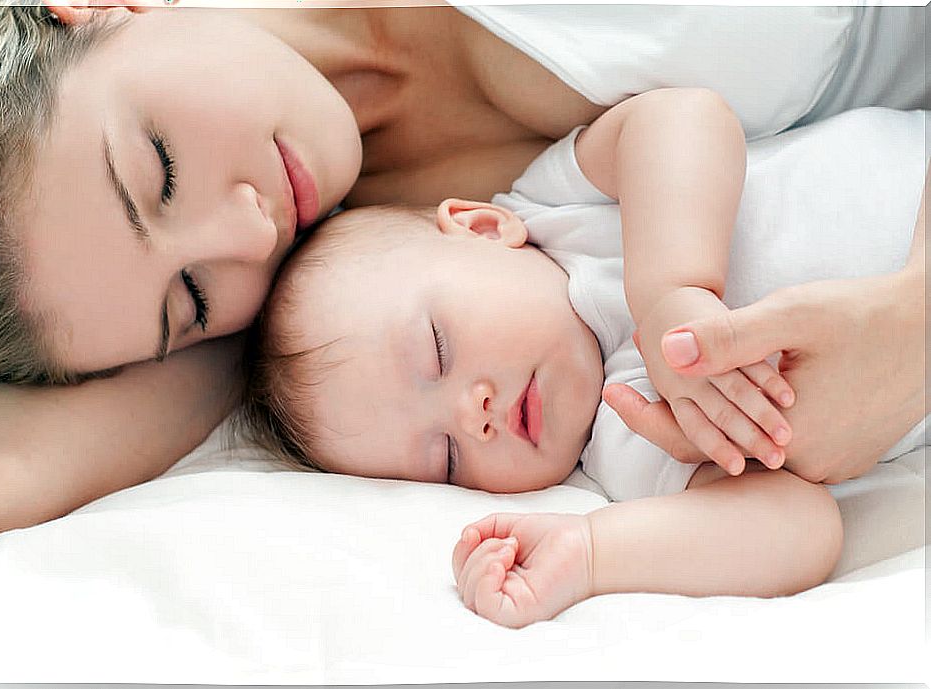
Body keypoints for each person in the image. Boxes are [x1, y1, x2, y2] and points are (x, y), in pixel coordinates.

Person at [0, 1, 927, 541]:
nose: (248, 234)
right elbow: (4, 464)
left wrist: (915, 327)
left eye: (161, 170)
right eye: (191, 298)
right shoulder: (372, 293)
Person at [240, 106, 926, 627]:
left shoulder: (559, 211)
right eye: (445, 457)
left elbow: (684, 114)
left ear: (483, 229)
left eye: (439, 351)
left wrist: (670, 292)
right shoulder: (627, 447)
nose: (470, 416)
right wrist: (595, 554)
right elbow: (804, 530)